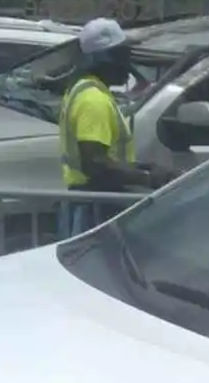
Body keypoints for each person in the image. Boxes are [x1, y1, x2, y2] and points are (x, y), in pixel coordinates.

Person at [59, 17, 161, 237]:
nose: (129, 63)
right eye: (123, 56)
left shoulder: (85, 90)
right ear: (106, 59)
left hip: (92, 203)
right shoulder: (93, 100)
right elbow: (96, 163)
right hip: (96, 209)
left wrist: (144, 167)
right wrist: (149, 179)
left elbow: (104, 156)